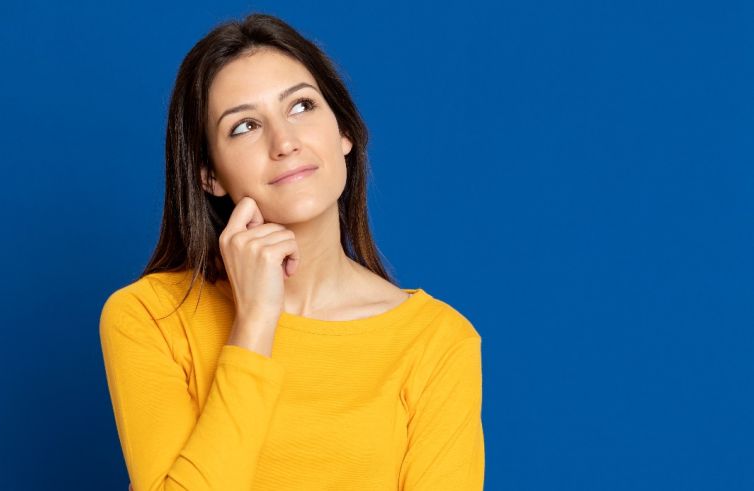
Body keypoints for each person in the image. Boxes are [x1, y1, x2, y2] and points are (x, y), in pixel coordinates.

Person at [100, 12, 484, 491]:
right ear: (209, 175)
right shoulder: (150, 317)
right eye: (244, 127)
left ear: (344, 131)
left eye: (301, 106)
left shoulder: (436, 341)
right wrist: (256, 321)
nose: (284, 142)